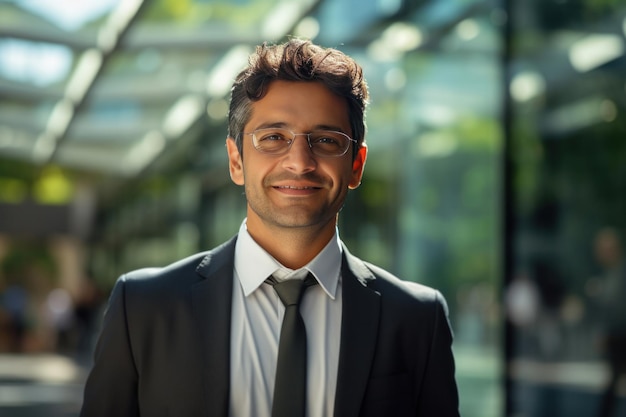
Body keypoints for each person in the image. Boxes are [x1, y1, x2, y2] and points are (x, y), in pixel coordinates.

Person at [80, 39, 459, 417]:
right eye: (273, 138)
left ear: (356, 165)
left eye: (326, 140)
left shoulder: (416, 319)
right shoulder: (144, 307)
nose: (299, 162)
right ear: (236, 161)